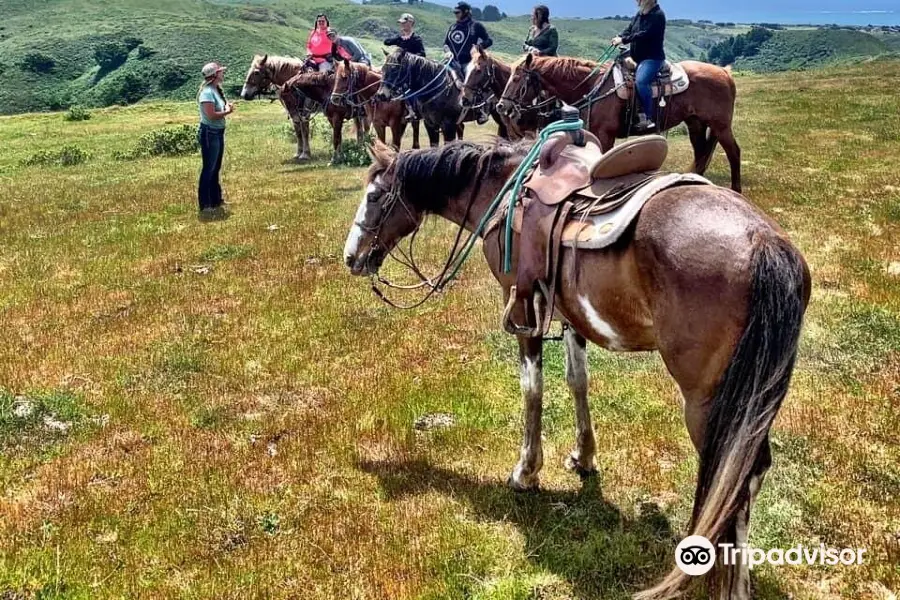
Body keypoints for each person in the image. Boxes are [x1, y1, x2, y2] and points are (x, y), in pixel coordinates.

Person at [612, 0, 667, 130]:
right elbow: (630, 29)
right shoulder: (640, 14)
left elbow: (644, 34)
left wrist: (624, 40)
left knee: (641, 81)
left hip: (652, 59)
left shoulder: (658, 15)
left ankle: (648, 118)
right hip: (637, 57)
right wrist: (619, 36)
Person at [443, 1, 493, 123]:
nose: (455, 14)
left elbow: (489, 40)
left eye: (458, 12)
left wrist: (478, 46)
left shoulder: (476, 26)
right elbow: (445, 44)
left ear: (465, 12)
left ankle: (481, 110)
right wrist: (447, 51)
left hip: (469, 62)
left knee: (472, 80)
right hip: (452, 62)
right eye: (454, 12)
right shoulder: (453, 27)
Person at [197, 62, 233, 221]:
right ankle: (205, 205)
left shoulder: (214, 90)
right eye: (220, 72)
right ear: (214, 75)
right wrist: (227, 111)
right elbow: (211, 115)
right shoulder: (207, 93)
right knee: (209, 169)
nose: (222, 74)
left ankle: (216, 200)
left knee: (215, 167)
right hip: (210, 133)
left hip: (216, 132)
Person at [384, 13, 426, 123]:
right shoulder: (400, 38)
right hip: (400, 70)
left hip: (412, 69)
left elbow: (422, 54)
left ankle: (413, 110)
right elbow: (386, 42)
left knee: (410, 88)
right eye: (401, 23)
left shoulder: (416, 38)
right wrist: (396, 39)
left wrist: (410, 57)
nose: (402, 25)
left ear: (411, 23)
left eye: (404, 23)